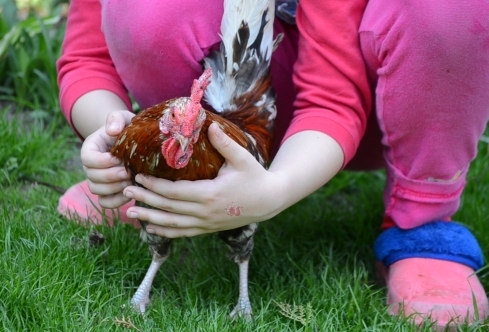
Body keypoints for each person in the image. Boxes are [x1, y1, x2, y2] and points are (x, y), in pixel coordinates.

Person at [56, 0, 489, 328]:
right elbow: (87, 57)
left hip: (375, 98)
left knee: (448, 11)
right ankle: (157, 185)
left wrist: (273, 191)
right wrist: (117, 138)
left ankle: (420, 221)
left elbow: (332, 99)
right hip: (206, 107)